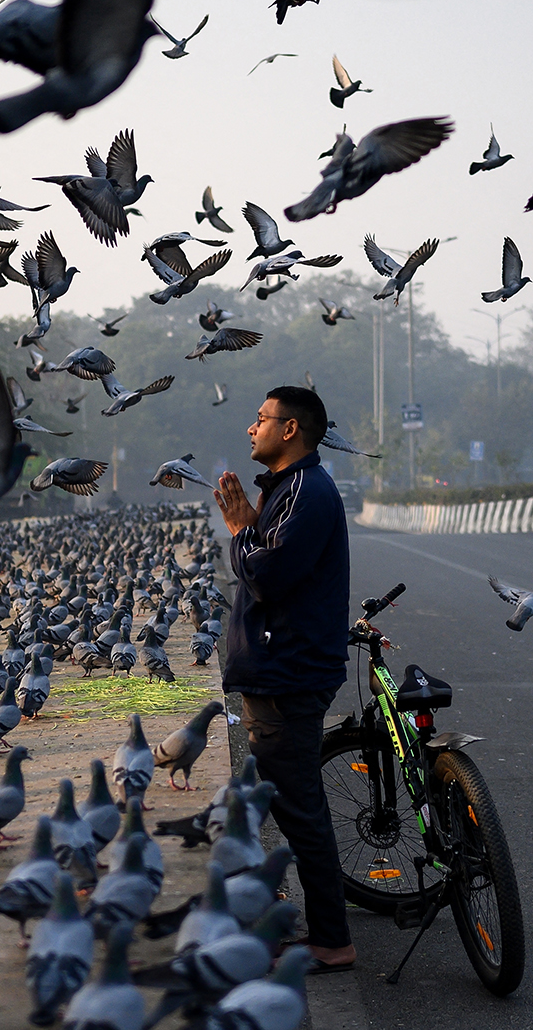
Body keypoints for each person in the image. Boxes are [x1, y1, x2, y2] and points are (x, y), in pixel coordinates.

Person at [213, 384, 356, 972]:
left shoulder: (304, 490)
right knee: (280, 802)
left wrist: (239, 532)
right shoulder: (289, 489)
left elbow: (267, 573)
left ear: (290, 429)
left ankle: (329, 939)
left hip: (287, 672)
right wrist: (249, 526)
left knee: (299, 809)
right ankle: (266, 912)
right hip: (282, 667)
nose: (252, 428)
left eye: (261, 418)